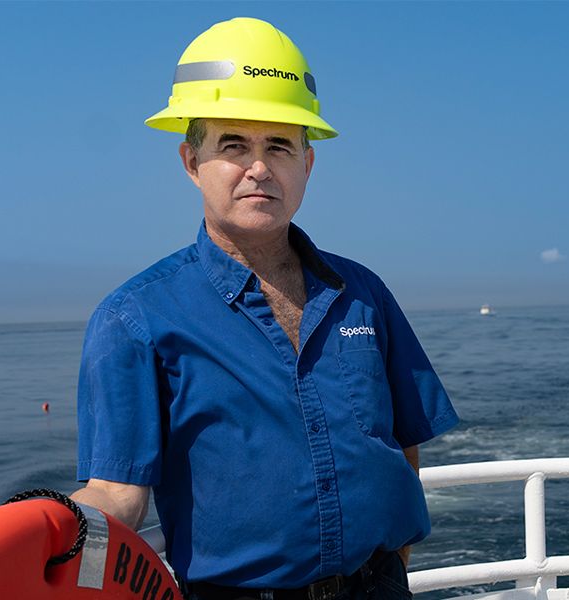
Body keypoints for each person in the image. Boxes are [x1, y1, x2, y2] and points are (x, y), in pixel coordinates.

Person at [71, 17, 459, 600]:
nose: (259, 167)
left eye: (279, 145)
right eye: (233, 145)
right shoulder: (135, 319)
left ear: (308, 163)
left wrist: (390, 567)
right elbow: (117, 495)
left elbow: (403, 443)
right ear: (190, 161)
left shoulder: (365, 293)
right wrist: (24, 529)